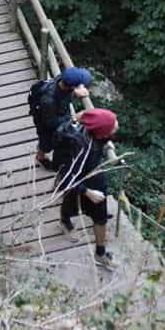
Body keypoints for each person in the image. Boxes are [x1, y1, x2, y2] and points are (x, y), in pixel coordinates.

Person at [54, 107, 118, 270]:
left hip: (90, 172)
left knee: (99, 214)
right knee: (72, 202)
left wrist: (108, 145)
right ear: (102, 134)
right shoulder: (82, 149)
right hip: (78, 178)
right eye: (112, 127)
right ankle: (65, 222)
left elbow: (83, 113)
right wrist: (88, 193)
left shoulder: (88, 122)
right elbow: (68, 176)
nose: (116, 125)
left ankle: (100, 252)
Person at [28, 66, 91, 171]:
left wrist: (74, 93)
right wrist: (75, 118)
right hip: (46, 121)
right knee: (46, 143)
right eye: (79, 84)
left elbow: (64, 94)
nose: (82, 86)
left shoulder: (61, 80)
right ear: (72, 87)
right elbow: (51, 123)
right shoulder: (48, 100)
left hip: (58, 112)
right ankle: (40, 157)